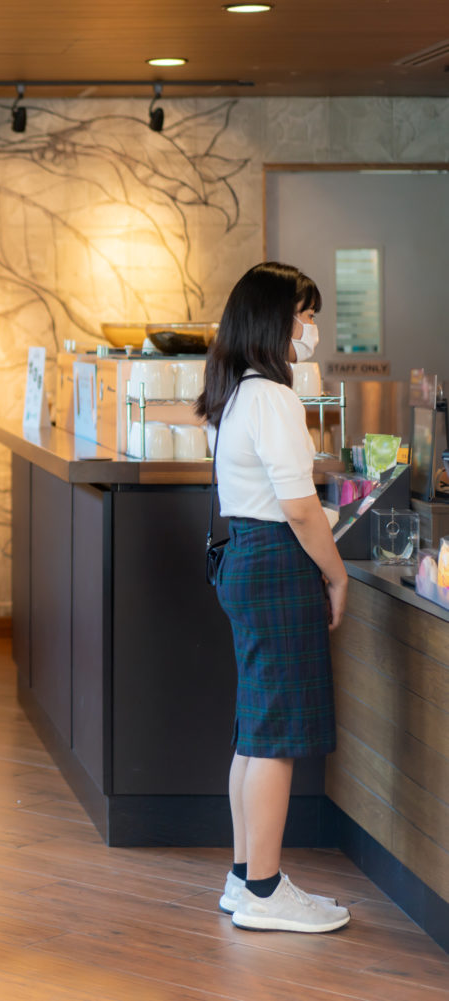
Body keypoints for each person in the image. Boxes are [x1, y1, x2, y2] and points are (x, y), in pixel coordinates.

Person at [196, 261, 350, 934]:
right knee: (277, 735)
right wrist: (337, 574)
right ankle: (263, 889)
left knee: (257, 732)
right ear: (274, 319)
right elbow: (299, 505)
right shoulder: (273, 396)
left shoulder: (234, 393)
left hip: (245, 561)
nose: (311, 328)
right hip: (275, 562)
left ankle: (245, 878)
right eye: (305, 315)